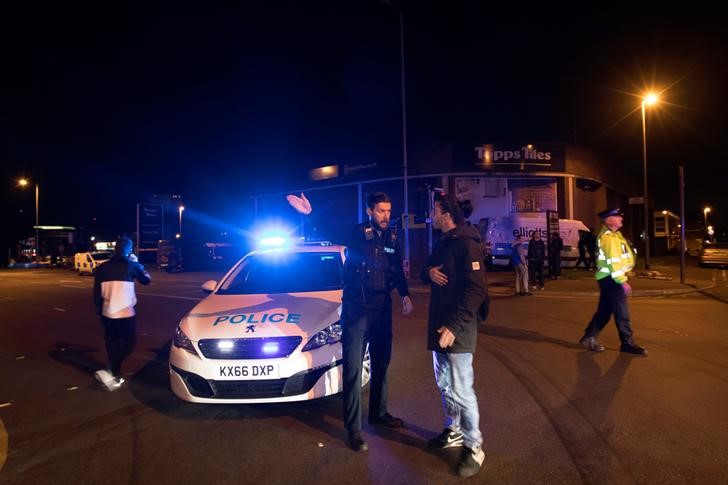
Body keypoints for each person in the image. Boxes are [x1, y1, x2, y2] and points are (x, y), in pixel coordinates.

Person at [287, 192, 414, 452]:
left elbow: (397, 270)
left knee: (381, 364)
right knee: (354, 370)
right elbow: (329, 231)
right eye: (381, 211)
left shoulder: (392, 237)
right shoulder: (357, 233)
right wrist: (311, 214)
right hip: (357, 310)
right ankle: (353, 429)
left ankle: (378, 413)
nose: (386, 216)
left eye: (388, 211)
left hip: (382, 309)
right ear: (369, 211)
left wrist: (405, 295)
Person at [421, 194, 488, 478]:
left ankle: (475, 447)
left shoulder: (468, 245)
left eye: (434, 211)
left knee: (462, 389)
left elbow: (476, 291)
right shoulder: (442, 242)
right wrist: (429, 272)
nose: (431, 215)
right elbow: (428, 271)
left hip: (458, 329)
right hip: (440, 325)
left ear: (446, 214)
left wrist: (453, 327)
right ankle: (455, 430)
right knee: (445, 383)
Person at [579, 208, 648, 356]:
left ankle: (589, 337)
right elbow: (613, 262)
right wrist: (622, 280)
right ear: (609, 220)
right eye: (617, 216)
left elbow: (620, 258)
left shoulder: (615, 236)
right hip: (612, 279)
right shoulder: (609, 238)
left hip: (608, 279)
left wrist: (627, 271)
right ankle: (627, 343)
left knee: (604, 311)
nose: (621, 218)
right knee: (622, 313)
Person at [93, 237, 151, 391]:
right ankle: (109, 370)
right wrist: (138, 263)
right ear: (129, 250)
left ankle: (115, 374)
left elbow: (96, 294)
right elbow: (146, 280)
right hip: (125, 312)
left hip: (107, 312)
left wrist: (99, 312)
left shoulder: (102, 268)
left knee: (112, 343)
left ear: (115, 249)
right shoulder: (131, 265)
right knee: (129, 343)